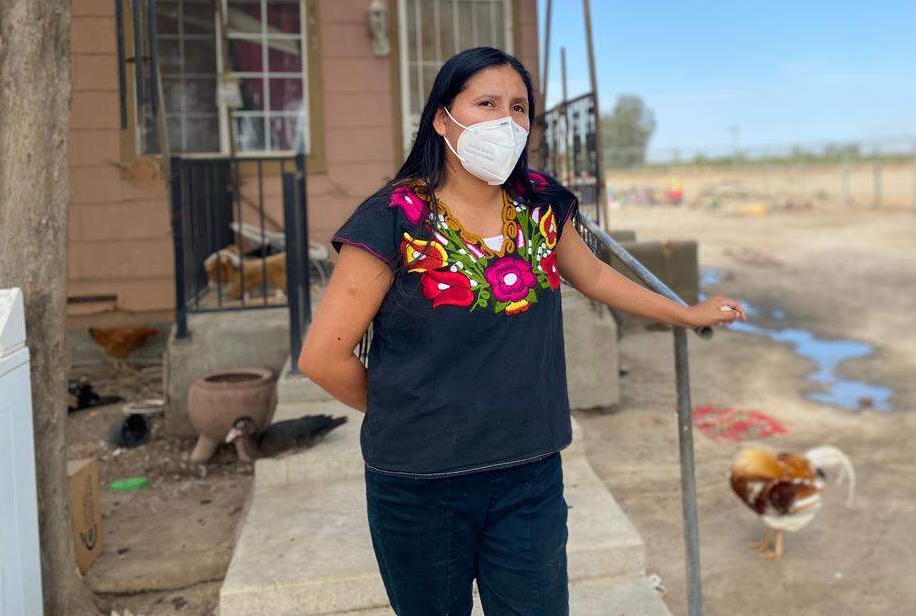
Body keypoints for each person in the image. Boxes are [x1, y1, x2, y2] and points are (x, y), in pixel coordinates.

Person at [298, 46, 746, 616]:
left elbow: (596, 277)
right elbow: (323, 358)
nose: (505, 122)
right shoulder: (393, 218)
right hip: (420, 485)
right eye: (485, 103)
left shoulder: (538, 206)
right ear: (442, 118)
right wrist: (411, 412)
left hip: (528, 476)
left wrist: (684, 313)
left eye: (518, 108)